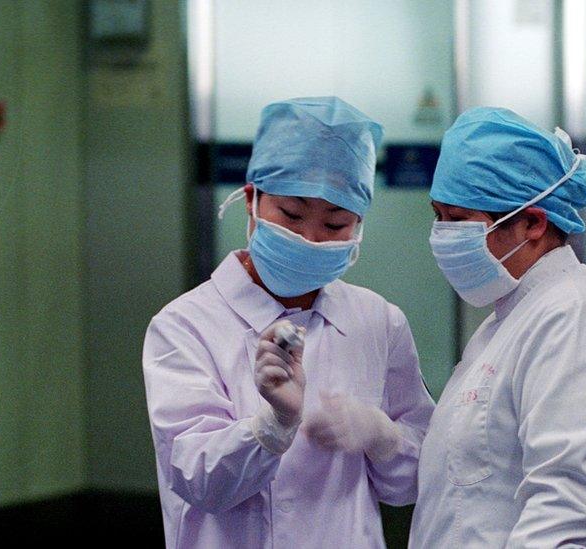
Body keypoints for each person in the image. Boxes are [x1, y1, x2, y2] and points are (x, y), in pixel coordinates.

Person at [142, 97, 435, 548]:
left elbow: (411, 484)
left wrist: (382, 436)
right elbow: (199, 483)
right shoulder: (185, 326)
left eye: (336, 224)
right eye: (291, 215)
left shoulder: (378, 322)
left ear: (359, 227)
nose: (310, 239)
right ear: (250, 201)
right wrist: (272, 426)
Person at [409, 107, 586, 548]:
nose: (442, 235)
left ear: (533, 223)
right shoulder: (509, 321)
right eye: (439, 217)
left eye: (460, 220)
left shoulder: (579, 318)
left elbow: (565, 506)